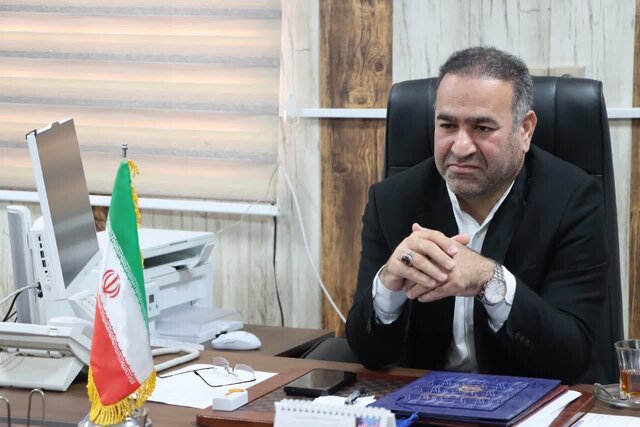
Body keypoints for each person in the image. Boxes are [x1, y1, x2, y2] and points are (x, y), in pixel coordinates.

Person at [345, 46, 608, 384]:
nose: (460, 147)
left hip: (530, 397)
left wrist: (490, 279)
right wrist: (388, 289)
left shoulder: (573, 199)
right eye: (447, 125)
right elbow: (368, 353)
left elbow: (571, 357)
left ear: (525, 130)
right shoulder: (392, 201)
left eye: (482, 128)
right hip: (427, 397)